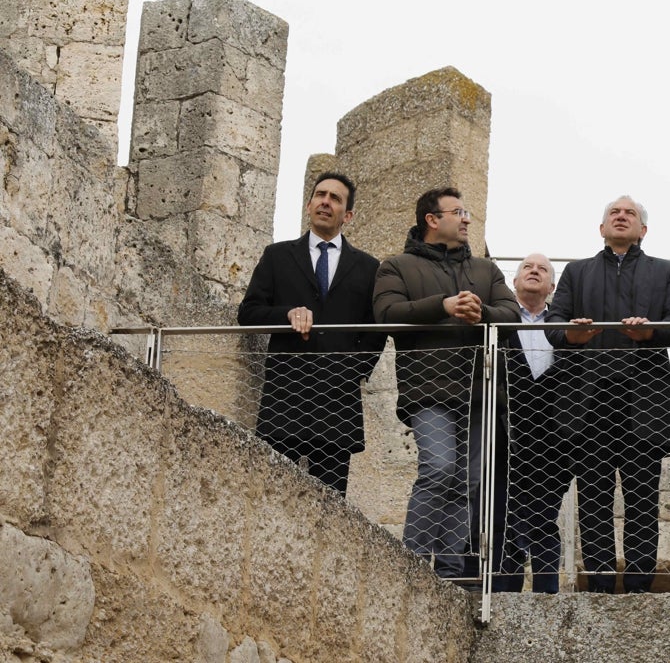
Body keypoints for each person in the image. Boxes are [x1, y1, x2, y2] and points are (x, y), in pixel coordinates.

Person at [373, 187, 520, 583]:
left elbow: (512, 315)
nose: (467, 218)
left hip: (480, 392)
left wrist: (480, 311)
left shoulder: (486, 270)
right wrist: (443, 306)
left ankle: (451, 574)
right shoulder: (397, 266)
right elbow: (386, 314)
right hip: (428, 390)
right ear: (432, 220)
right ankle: (412, 566)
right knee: (439, 468)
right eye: (459, 211)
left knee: (468, 482)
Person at [546, 196, 670, 593]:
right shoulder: (576, 272)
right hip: (587, 401)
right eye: (614, 212)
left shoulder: (665, 271)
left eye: (630, 214)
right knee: (593, 498)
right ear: (602, 228)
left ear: (643, 229)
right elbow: (554, 322)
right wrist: (572, 335)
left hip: (643, 400)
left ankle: (641, 588)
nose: (621, 216)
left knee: (644, 497)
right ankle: (601, 589)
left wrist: (650, 332)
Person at [237, 172, 386, 495]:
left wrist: (352, 372)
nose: (325, 202)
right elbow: (248, 313)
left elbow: (376, 330)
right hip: (285, 397)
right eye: (320, 195)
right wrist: (285, 314)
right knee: (273, 498)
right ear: (308, 205)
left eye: (335, 198)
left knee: (330, 508)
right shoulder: (277, 256)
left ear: (348, 214)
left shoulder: (368, 267)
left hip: (338, 401)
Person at [495, 253, 571, 593]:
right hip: (510, 431)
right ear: (514, 280)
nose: (534, 271)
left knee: (544, 516)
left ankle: (546, 594)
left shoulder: (562, 323)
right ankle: (506, 593)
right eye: (527, 266)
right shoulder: (503, 320)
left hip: (554, 436)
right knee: (511, 513)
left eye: (543, 269)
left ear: (552, 286)